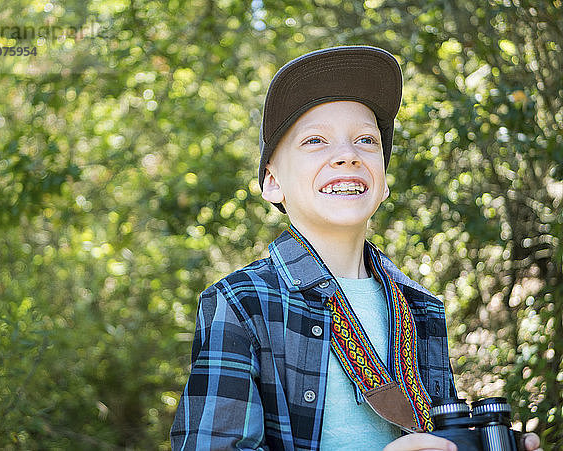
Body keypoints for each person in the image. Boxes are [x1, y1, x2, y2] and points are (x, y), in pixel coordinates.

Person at [170, 46, 542, 451]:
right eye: (315, 141)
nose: (347, 156)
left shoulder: (421, 307)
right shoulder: (242, 303)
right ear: (273, 182)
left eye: (366, 140)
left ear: (383, 182)